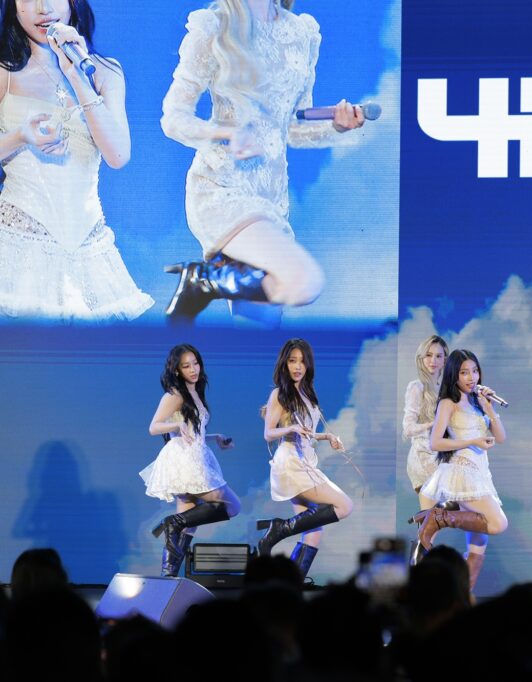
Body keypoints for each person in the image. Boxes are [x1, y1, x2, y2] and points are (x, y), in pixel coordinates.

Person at [159, 0, 365, 320]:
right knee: (303, 280)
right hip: (222, 188)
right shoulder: (215, 25)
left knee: (259, 334)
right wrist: (227, 132)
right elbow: (173, 119)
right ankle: (205, 281)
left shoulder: (302, 32)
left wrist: (337, 125)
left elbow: (291, 128)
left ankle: (210, 281)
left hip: (272, 202)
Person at [0, 0, 151, 320]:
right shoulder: (5, 73)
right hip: (18, 244)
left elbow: (118, 155)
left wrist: (77, 76)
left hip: (88, 248)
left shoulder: (105, 72)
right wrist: (20, 136)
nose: (43, 9)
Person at [141, 344, 240, 577]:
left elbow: (193, 431)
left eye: (195, 363)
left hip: (195, 454)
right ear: (177, 370)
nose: (193, 369)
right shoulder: (175, 394)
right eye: (186, 366)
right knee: (232, 506)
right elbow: (153, 427)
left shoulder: (194, 391)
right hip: (185, 460)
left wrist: (215, 438)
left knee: (188, 524)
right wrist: (177, 424)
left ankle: (168, 576)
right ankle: (172, 522)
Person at [414, 349, 508, 592]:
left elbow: (501, 438)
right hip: (461, 472)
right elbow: (435, 442)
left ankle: (462, 598)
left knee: (479, 542)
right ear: (454, 375)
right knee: (498, 523)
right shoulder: (448, 403)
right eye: (464, 372)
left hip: (481, 474)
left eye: (475, 371)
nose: (471, 377)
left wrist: (489, 408)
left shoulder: (478, 402)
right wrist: (471, 441)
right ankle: (440, 517)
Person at [258, 338, 352, 577]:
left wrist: (326, 436)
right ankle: (279, 528)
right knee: (344, 505)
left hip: (305, 461)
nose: (298, 366)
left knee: (314, 532)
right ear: (285, 364)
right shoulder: (279, 394)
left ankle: (292, 584)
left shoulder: (307, 393)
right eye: (292, 361)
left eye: (302, 361)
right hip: (291, 464)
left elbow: (306, 432)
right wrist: (289, 428)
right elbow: (268, 433)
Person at [404, 335, 464, 564]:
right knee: (430, 529)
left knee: (433, 524)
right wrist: (434, 424)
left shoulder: (448, 389)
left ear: (445, 360)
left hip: (443, 460)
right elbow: (408, 428)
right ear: (421, 357)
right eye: (428, 355)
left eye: (439, 356)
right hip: (422, 459)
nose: (433, 360)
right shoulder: (417, 387)